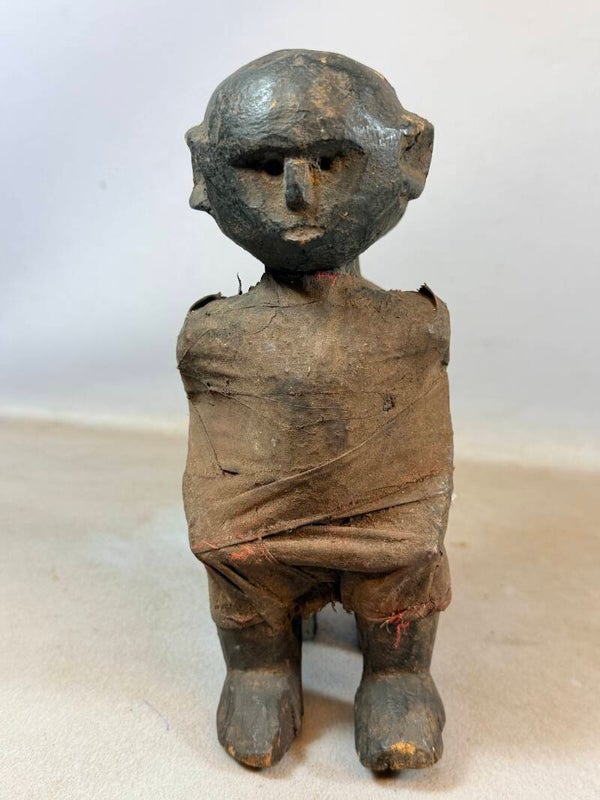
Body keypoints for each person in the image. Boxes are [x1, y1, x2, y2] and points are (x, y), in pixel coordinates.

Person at [178, 49, 453, 771]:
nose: (299, 194)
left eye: (332, 161)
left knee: (406, 558)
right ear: (204, 172)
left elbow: (425, 468)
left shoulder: (415, 328)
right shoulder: (211, 335)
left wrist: (405, 528)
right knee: (238, 558)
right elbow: (216, 475)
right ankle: (259, 667)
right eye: (266, 166)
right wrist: (229, 526)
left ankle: (398, 672)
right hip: (255, 535)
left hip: (387, 535)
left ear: (411, 157)